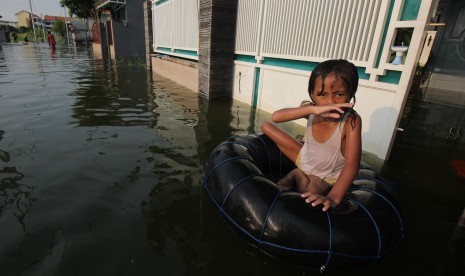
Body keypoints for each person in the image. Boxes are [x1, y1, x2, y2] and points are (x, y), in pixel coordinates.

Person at [260, 59, 362, 212]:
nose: (330, 102)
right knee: (265, 126)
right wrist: (312, 110)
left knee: (311, 189)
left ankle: (297, 175)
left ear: (350, 95)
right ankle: (298, 173)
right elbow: (276, 117)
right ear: (312, 95)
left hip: (326, 176)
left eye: (339, 94)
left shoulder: (350, 121)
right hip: (304, 158)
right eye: (322, 94)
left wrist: (333, 198)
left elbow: (352, 164)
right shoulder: (312, 110)